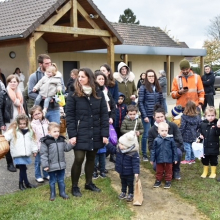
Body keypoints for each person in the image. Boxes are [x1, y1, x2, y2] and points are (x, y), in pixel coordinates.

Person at [66, 68, 109, 197]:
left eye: (82, 76)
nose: (79, 79)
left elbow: (104, 115)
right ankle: (74, 186)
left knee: (91, 158)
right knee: (79, 158)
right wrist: (72, 135)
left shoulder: (99, 93)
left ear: (89, 78)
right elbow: (70, 116)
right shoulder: (73, 94)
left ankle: (88, 183)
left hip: (95, 131)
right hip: (80, 132)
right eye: (79, 76)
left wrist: (104, 134)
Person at [40, 122, 74, 201]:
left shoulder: (61, 140)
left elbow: (66, 148)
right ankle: (53, 194)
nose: (57, 133)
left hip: (61, 165)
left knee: (61, 180)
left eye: (58, 131)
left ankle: (62, 192)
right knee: (52, 181)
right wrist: (45, 165)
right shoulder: (46, 142)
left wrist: (72, 144)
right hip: (51, 166)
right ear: (49, 132)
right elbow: (43, 154)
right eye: (54, 132)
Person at [148, 105, 183, 180]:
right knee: (155, 167)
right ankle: (164, 171)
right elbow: (150, 145)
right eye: (158, 117)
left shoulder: (173, 126)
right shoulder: (151, 130)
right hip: (159, 151)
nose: (160, 119)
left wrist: (170, 148)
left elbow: (179, 140)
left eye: (162, 116)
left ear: (165, 116)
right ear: (154, 117)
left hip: (172, 149)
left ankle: (176, 170)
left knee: (179, 153)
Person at [3, 114, 38, 190]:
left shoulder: (30, 131)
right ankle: (21, 184)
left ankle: (26, 183)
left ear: (27, 123)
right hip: (18, 153)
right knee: (23, 168)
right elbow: (5, 137)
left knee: (23, 168)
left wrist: (35, 150)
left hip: (26, 153)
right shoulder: (13, 131)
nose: (22, 125)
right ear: (17, 123)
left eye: (24, 124)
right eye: (20, 124)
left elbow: (33, 141)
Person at [0, 74, 27, 172]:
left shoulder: (20, 93)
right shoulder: (4, 93)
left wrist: (27, 120)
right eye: (10, 82)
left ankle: (18, 162)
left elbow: (25, 107)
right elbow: (0, 109)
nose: (13, 83)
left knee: (18, 142)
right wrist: (1, 123)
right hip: (7, 122)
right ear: (8, 83)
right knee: (8, 143)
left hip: (19, 122)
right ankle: (10, 163)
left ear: (18, 83)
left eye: (14, 82)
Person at [105, 130, 140, 202]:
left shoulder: (133, 153)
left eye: (122, 144)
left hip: (129, 172)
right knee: (123, 182)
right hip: (121, 170)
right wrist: (107, 143)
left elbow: (136, 163)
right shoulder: (119, 150)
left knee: (130, 183)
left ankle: (130, 193)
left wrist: (136, 172)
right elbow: (113, 149)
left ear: (128, 146)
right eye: (119, 143)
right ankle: (123, 192)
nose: (119, 145)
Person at [93, 71, 115, 178]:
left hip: (106, 120)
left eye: (103, 79)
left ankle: (102, 168)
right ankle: (94, 169)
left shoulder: (106, 91)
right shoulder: (94, 91)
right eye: (99, 79)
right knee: (95, 150)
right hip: (96, 122)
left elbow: (113, 105)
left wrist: (111, 117)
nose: (101, 81)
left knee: (103, 148)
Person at [138, 69, 163, 161]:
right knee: (146, 135)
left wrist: (161, 114)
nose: (151, 78)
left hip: (156, 115)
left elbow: (161, 101)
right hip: (147, 114)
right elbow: (140, 103)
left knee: (157, 133)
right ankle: (144, 154)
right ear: (146, 78)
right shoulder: (143, 87)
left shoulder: (158, 87)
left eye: (153, 76)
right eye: (149, 76)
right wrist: (144, 116)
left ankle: (155, 151)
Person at [28, 54, 60, 124]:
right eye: (46, 63)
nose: (49, 65)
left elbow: (62, 90)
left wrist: (54, 97)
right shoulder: (34, 76)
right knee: (40, 133)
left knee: (54, 131)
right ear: (40, 64)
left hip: (54, 109)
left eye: (50, 63)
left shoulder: (57, 74)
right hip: (39, 110)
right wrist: (43, 97)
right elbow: (30, 93)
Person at [150, 122, 178, 189]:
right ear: (158, 131)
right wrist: (152, 159)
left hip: (169, 158)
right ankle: (158, 180)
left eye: (166, 130)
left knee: (169, 170)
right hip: (159, 158)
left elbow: (174, 149)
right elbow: (153, 150)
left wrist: (175, 158)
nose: (164, 132)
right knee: (159, 170)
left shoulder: (171, 139)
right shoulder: (156, 140)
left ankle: (168, 181)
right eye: (162, 131)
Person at [198, 106, 220, 179]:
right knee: (205, 159)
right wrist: (199, 135)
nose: (210, 117)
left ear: (215, 115)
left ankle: (213, 172)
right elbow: (198, 131)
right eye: (209, 115)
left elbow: (218, 133)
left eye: (212, 115)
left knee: (213, 159)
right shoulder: (202, 124)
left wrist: (218, 127)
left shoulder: (217, 123)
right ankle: (205, 171)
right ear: (205, 115)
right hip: (204, 146)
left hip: (214, 146)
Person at [30, 105, 50, 183]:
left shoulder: (47, 122)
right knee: (38, 162)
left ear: (42, 113)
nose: (38, 115)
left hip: (46, 146)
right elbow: (32, 138)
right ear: (32, 116)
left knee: (46, 161)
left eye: (39, 113)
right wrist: (34, 150)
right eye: (35, 114)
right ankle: (38, 176)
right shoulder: (32, 125)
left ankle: (46, 174)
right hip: (38, 147)